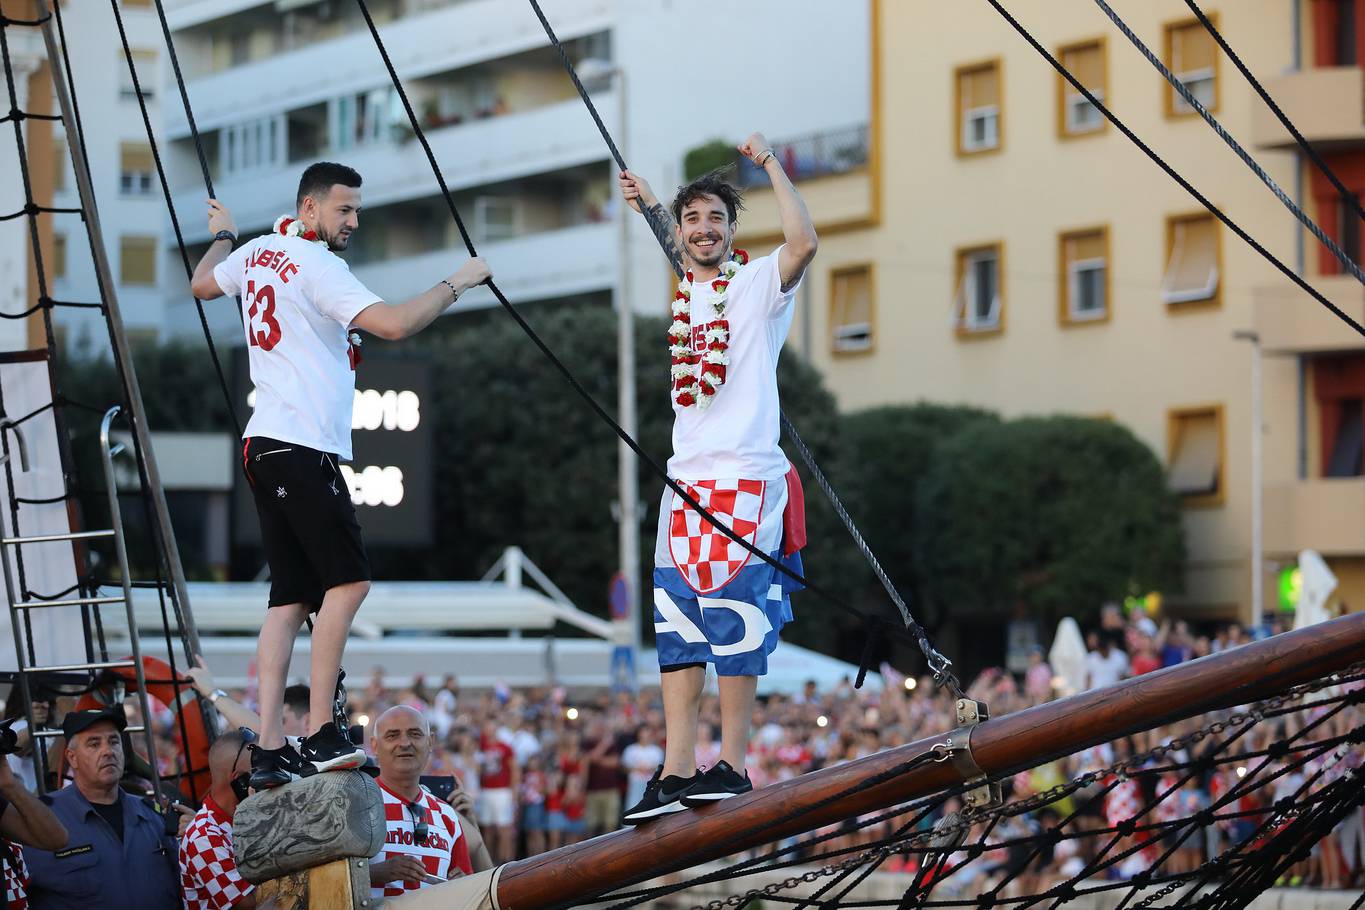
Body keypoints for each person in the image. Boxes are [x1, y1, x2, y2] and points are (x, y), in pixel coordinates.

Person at [189, 161, 492, 789]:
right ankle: (324, 730)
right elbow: (397, 323)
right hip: (300, 445)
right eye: (342, 210)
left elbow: (199, 285)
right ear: (308, 209)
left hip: (264, 443)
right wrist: (460, 281)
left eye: (356, 210)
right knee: (349, 584)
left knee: (289, 599)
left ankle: (271, 746)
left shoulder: (256, 252)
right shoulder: (318, 265)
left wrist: (225, 234)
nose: (353, 221)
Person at [616, 131, 818, 823]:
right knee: (676, 625)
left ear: (733, 232)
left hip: (744, 478)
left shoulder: (757, 284)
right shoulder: (684, 291)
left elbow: (804, 244)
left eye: (716, 220)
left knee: (734, 619)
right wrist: (646, 202)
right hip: (684, 485)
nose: (703, 231)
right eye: (692, 220)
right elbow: (671, 245)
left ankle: (730, 762)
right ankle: (675, 769)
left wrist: (768, 166)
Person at [24, 706, 182, 909]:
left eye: (114, 741)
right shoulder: (43, 820)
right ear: (72, 757)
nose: (108, 751)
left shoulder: (152, 815)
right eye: (94, 743)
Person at [369, 706, 487, 902]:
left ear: (430, 741)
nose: (405, 743)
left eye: (415, 734)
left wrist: (464, 884)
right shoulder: (355, 804)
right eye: (392, 736)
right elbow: (324, 878)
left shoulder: (447, 815)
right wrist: (377, 873)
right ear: (374, 746)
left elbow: (468, 891)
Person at [179, 729, 257, 910]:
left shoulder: (245, 817)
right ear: (240, 780)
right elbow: (250, 906)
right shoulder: (203, 837)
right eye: (260, 768)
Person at [476, 719, 517, 862]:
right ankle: (489, 861)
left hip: (502, 791)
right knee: (487, 828)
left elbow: (514, 769)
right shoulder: (481, 747)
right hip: (486, 790)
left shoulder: (505, 747)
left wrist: (513, 791)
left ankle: (505, 860)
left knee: (503, 828)